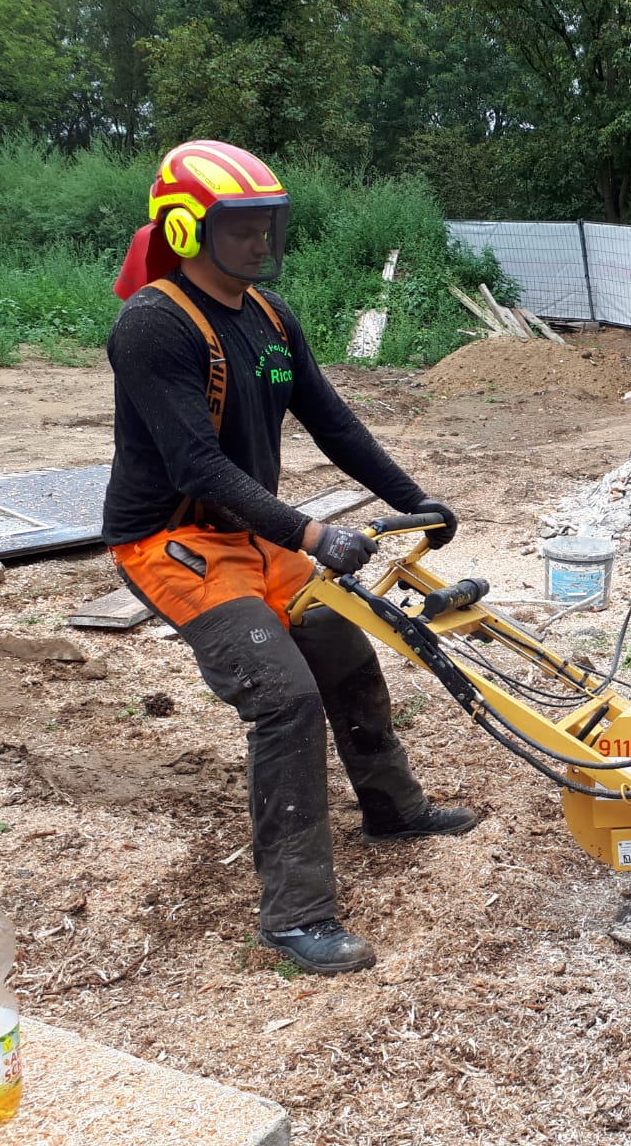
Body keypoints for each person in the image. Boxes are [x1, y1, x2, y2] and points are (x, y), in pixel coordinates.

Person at [102, 139, 479, 974]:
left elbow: (335, 423)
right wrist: (311, 534)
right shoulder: (154, 325)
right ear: (187, 225)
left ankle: (393, 809)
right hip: (174, 540)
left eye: (269, 222)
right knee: (284, 698)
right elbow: (196, 464)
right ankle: (295, 916)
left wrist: (413, 502)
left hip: (254, 534)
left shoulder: (271, 318)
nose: (260, 240)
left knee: (345, 654)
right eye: (240, 225)